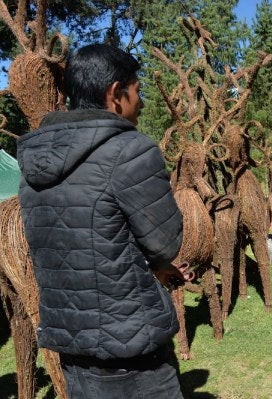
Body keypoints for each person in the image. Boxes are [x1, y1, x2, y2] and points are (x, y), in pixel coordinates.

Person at [17, 44, 189, 398]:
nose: (141, 103)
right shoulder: (131, 150)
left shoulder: (34, 163)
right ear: (115, 93)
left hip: (72, 344)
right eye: (138, 91)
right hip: (131, 345)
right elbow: (166, 242)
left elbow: (85, 244)